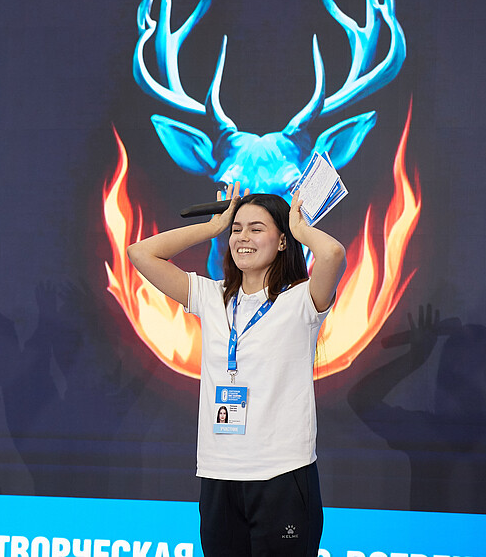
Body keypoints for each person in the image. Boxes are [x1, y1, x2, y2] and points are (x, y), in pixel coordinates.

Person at [127, 184, 346, 557]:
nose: (243, 237)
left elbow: (332, 253)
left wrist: (299, 228)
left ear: (282, 241)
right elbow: (141, 253)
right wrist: (213, 227)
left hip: (282, 473)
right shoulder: (211, 297)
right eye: (237, 229)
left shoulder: (301, 300)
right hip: (219, 473)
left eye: (256, 229)